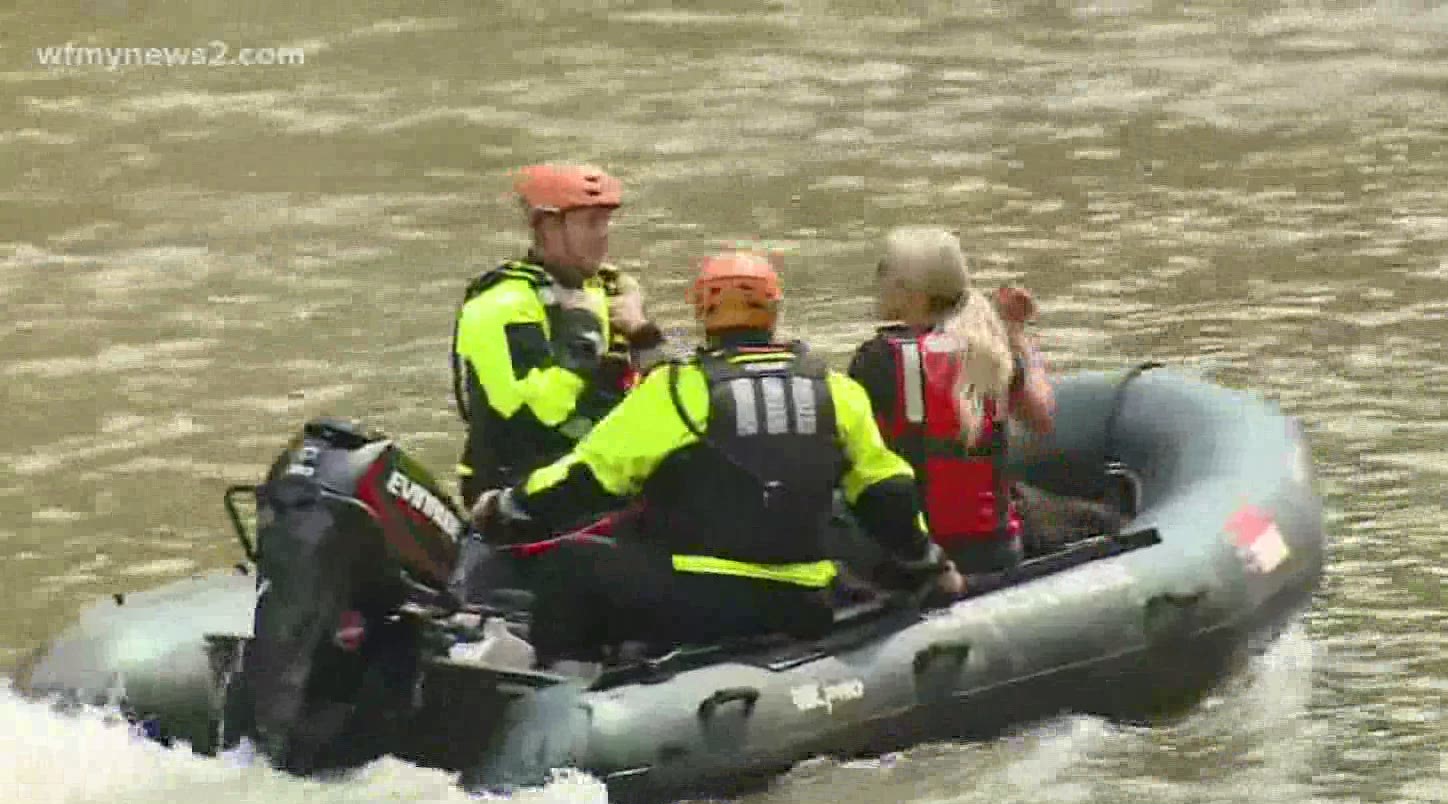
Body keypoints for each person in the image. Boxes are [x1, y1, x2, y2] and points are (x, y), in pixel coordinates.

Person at [468, 250, 961, 667]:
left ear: (703, 313)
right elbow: (887, 495)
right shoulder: (837, 391)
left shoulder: (678, 390)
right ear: (774, 311)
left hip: (706, 601)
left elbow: (588, 478)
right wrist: (932, 566)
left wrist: (508, 506)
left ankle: (572, 690)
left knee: (569, 566)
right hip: (805, 603)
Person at [445, 163, 662, 603]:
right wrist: (586, 337)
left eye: (605, 222)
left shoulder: (609, 291)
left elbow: (655, 394)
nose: (602, 235)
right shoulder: (501, 305)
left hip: (599, 479)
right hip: (523, 490)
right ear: (546, 226)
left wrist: (644, 336)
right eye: (588, 223)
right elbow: (536, 417)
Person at [848, 226, 1104, 575]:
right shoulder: (988, 350)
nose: (878, 286)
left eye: (886, 276)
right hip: (997, 549)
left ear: (914, 296)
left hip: (918, 558)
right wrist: (1015, 333)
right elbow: (1041, 416)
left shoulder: (877, 359)